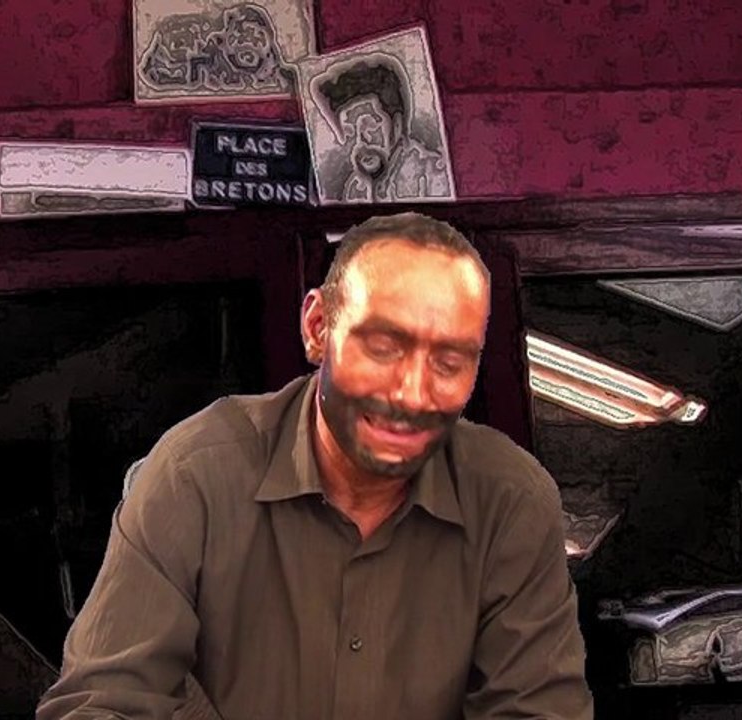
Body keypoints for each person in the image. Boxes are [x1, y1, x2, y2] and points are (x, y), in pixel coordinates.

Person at [36, 212, 593, 720]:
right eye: (383, 348)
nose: (412, 394)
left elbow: (539, 711)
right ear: (318, 327)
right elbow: (102, 704)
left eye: (449, 363)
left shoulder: (510, 501)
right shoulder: (195, 475)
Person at [313, 59, 453, 202]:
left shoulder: (433, 173)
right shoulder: (356, 190)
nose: (360, 143)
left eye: (370, 126)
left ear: (397, 125)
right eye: (350, 132)